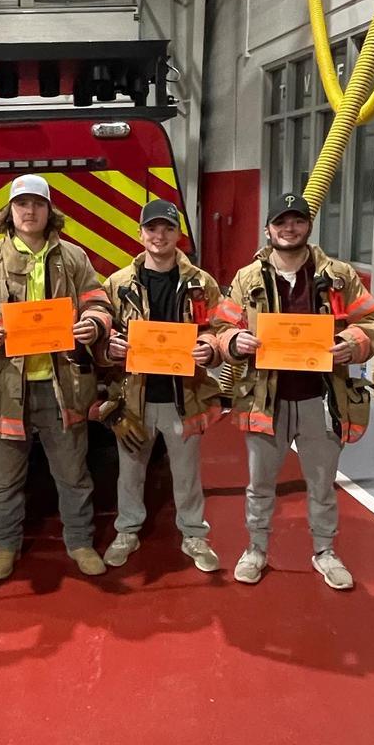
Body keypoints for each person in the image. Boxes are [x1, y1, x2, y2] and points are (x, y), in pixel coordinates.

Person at [212, 193, 374, 589]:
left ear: (308, 226)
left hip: (321, 399)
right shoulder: (247, 279)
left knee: (322, 484)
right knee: (259, 484)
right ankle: (256, 549)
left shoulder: (338, 276)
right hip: (265, 399)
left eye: (297, 221)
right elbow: (221, 328)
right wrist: (234, 342)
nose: (289, 229)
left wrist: (352, 343)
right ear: (268, 228)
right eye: (281, 222)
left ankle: (325, 551)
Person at [0, 174, 114, 580]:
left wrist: (93, 325)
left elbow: (98, 301)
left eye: (37, 204)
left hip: (64, 387)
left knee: (74, 475)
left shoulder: (74, 258)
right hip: (6, 388)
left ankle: (79, 542)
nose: (29, 211)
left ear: (49, 211)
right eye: (21, 204)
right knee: (5, 480)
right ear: (10, 212)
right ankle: (6, 546)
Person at [100, 199, 223, 571]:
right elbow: (100, 337)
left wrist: (211, 348)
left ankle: (193, 534)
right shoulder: (117, 284)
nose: (159, 235)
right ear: (140, 234)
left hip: (182, 396)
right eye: (152, 228)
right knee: (131, 470)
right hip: (133, 395)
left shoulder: (202, 284)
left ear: (178, 235)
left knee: (187, 473)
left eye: (168, 228)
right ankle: (127, 530)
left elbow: (220, 331)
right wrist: (109, 347)